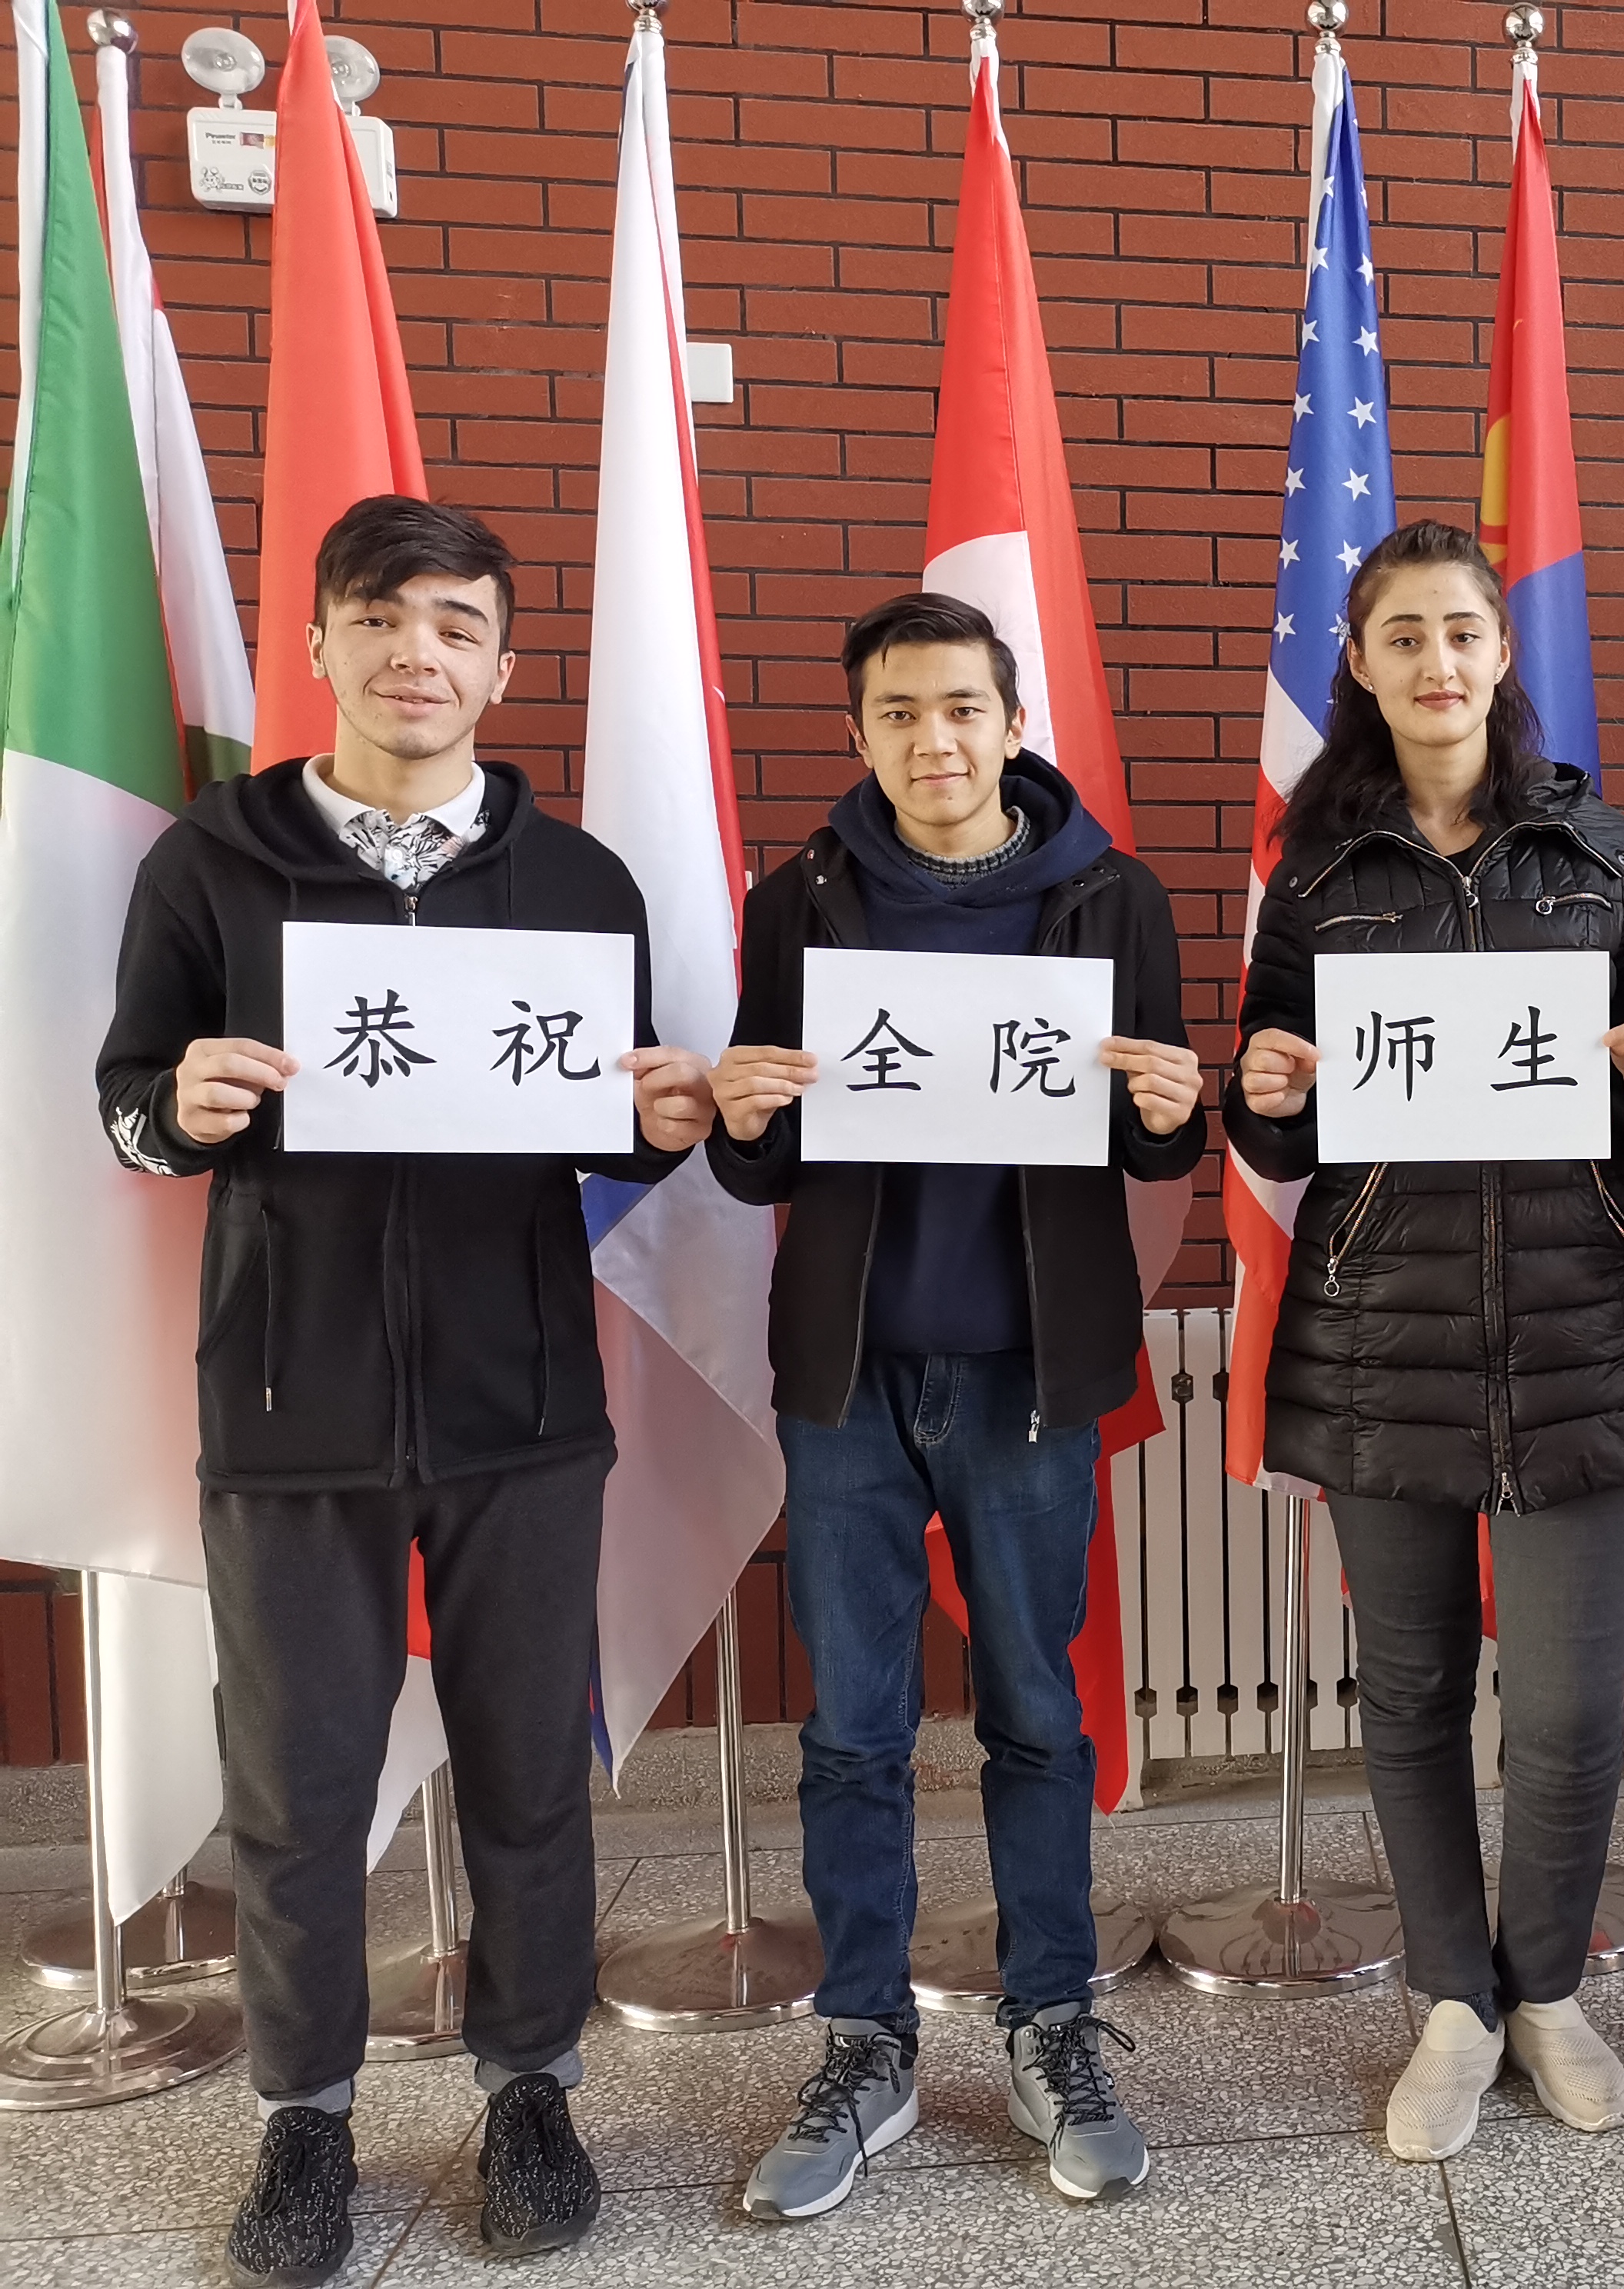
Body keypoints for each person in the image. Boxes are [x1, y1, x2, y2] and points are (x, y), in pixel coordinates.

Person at [95, 497, 717, 2287]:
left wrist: (659, 1121)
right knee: (296, 1788)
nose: (415, 655)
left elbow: (605, 1120)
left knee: (530, 1772)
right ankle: (305, 2118)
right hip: (290, 1404)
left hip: (524, 1405)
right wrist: (174, 1105)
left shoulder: (578, 882)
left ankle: (533, 2090)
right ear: (318, 645)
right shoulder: (212, 862)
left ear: (503, 667)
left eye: (455, 625)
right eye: (378, 619)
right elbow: (129, 1095)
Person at [704, 592, 1204, 2215]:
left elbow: (1151, 1142)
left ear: (1013, 722)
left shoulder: (1112, 897)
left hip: (1028, 1373)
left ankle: (1052, 2023)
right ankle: (866, 2043)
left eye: (963, 709)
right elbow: (762, 1159)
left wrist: (1169, 1110)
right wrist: (743, 1115)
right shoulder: (800, 900)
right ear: (858, 733)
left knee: (1034, 1711)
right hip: (846, 1376)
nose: (934, 741)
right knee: (852, 1726)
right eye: (899, 713)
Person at [1228, 519, 1624, 2165]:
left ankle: (1547, 1986)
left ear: (1503, 654)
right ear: (1359, 665)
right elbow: (1281, 1122)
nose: (1437, 661)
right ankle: (1453, 1996)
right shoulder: (1315, 870)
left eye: (1462, 631)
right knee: (1416, 1691)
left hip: (1583, 1323)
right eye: (1403, 636)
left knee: (1571, 1711)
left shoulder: (1593, 843)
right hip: (1383, 1326)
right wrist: (1263, 1089)